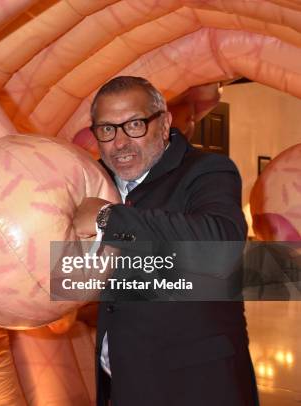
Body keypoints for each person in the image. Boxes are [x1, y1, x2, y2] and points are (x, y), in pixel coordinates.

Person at [73, 76, 259, 406]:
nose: (120, 142)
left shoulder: (206, 171)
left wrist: (108, 219)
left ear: (164, 123)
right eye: (107, 130)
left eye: (134, 124)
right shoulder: (93, 179)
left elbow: (220, 248)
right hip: (122, 381)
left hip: (197, 386)